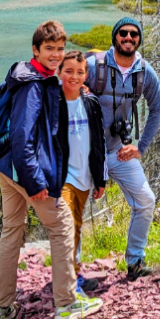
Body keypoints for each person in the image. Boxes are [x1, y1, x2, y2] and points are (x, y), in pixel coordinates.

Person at [0, 21, 104, 319]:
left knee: (12, 230)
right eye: (49, 49)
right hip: (24, 170)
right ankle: (66, 304)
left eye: (60, 49)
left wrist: (76, 89)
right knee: (62, 225)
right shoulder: (33, 86)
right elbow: (24, 135)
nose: (56, 55)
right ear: (35, 50)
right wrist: (35, 181)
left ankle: (1, 308)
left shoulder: (31, 76)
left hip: (5, 167)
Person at [86, 16, 160, 281]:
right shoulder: (92, 66)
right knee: (72, 211)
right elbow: (63, 93)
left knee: (145, 200)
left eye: (134, 34)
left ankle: (135, 262)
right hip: (87, 155)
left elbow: (158, 108)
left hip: (120, 150)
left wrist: (140, 148)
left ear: (139, 39)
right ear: (114, 36)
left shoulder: (144, 71)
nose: (128, 38)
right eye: (123, 33)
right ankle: (70, 277)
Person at [56, 49, 106, 296]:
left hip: (85, 177)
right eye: (68, 71)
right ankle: (68, 284)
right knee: (67, 227)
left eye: (79, 72)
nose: (74, 77)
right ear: (59, 73)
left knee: (75, 225)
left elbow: (98, 142)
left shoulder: (90, 102)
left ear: (86, 74)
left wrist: (100, 178)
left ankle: (73, 273)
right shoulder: (53, 103)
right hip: (63, 177)